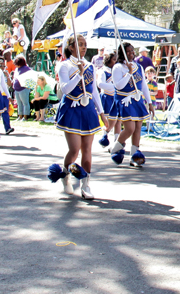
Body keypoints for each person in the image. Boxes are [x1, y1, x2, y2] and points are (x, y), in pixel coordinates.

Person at [49, 35, 104, 199]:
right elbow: (66, 89)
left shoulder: (90, 66)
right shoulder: (64, 65)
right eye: (80, 44)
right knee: (74, 149)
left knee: (87, 149)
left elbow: (94, 91)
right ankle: (65, 174)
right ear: (71, 47)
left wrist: (101, 112)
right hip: (72, 109)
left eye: (85, 44)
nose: (84, 47)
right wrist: (79, 74)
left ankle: (86, 185)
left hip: (88, 110)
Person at [107, 42, 154, 167]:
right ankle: (115, 147)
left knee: (138, 128)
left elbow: (143, 85)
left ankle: (134, 156)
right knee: (130, 128)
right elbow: (118, 86)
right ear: (122, 53)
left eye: (132, 51)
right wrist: (129, 73)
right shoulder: (118, 67)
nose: (131, 53)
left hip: (137, 99)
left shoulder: (138, 67)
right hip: (125, 100)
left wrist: (149, 102)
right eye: (128, 51)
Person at [97, 52, 121, 148]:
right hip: (107, 97)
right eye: (114, 60)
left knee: (118, 120)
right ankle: (105, 136)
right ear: (108, 61)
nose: (116, 62)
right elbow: (100, 84)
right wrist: (114, 86)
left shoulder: (117, 71)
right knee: (111, 121)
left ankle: (117, 142)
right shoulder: (103, 71)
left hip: (116, 97)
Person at [12, 55, 32, 121]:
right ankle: (20, 116)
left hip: (23, 88)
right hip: (16, 89)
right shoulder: (16, 69)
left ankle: (25, 117)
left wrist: (28, 85)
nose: (15, 64)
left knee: (25, 103)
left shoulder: (26, 68)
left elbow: (31, 76)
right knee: (19, 103)